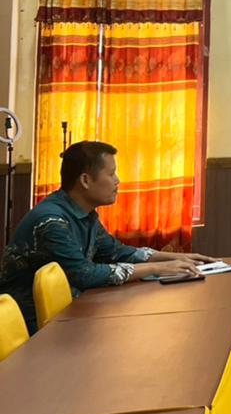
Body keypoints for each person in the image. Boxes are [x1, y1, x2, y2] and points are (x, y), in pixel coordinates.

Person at [0, 141, 212, 334]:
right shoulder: (51, 221)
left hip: (67, 318)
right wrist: (157, 268)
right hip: (32, 331)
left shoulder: (85, 213)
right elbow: (85, 274)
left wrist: (174, 259)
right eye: (111, 174)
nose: (117, 181)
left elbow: (115, 251)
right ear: (85, 180)